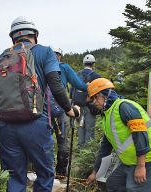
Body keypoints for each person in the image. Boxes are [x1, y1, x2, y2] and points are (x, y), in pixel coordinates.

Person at [0, 16, 80, 192]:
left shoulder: (2, 56)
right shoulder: (45, 52)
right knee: (44, 174)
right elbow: (56, 85)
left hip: (6, 124)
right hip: (34, 122)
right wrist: (69, 109)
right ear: (35, 34)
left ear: (13, 37)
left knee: (15, 176)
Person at [85, 78, 151, 192]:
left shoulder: (124, 107)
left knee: (134, 189)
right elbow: (105, 147)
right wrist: (95, 172)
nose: (93, 102)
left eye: (95, 97)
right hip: (131, 162)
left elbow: (140, 134)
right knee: (113, 184)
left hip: (150, 161)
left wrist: (140, 166)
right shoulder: (107, 115)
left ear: (105, 95)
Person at [50, 47, 87, 178]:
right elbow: (80, 85)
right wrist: (95, 88)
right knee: (63, 141)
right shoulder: (64, 68)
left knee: (44, 140)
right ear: (60, 56)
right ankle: (60, 173)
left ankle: (44, 171)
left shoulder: (40, 67)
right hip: (61, 109)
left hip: (43, 111)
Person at [73, 54, 101, 149]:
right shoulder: (97, 76)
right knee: (90, 128)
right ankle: (88, 150)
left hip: (78, 105)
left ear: (84, 63)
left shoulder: (77, 74)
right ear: (93, 64)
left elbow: (71, 90)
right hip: (90, 105)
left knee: (81, 126)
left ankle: (80, 147)